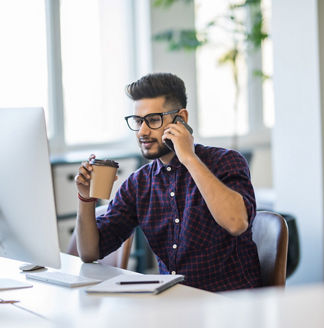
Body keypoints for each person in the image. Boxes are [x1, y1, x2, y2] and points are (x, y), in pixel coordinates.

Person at [75, 72, 262, 292]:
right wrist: (85, 199)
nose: (142, 132)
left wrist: (189, 158)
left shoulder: (226, 161)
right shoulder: (139, 183)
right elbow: (90, 252)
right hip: (173, 304)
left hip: (230, 305)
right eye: (138, 121)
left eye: (153, 120)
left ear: (180, 118)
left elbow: (236, 223)